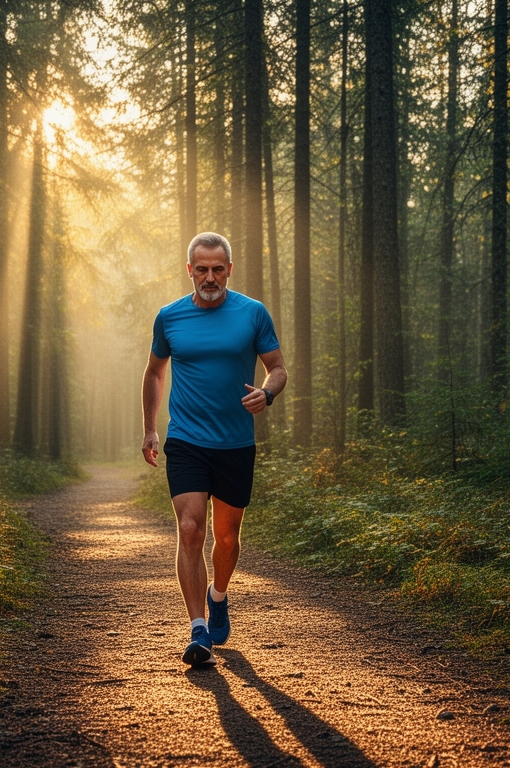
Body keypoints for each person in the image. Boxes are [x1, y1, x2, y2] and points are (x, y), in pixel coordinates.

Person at [141, 232, 288, 667]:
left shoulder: (252, 313)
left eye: (217, 269)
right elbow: (154, 373)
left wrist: (268, 393)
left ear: (229, 270)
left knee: (226, 537)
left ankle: (218, 595)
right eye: (201, 269)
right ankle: (198, 628)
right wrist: (151, 429)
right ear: (190, 270)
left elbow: (277, 367)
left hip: (235, 443)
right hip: (185, 439)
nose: (209, 276)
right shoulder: (169, 318)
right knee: (190, 529)